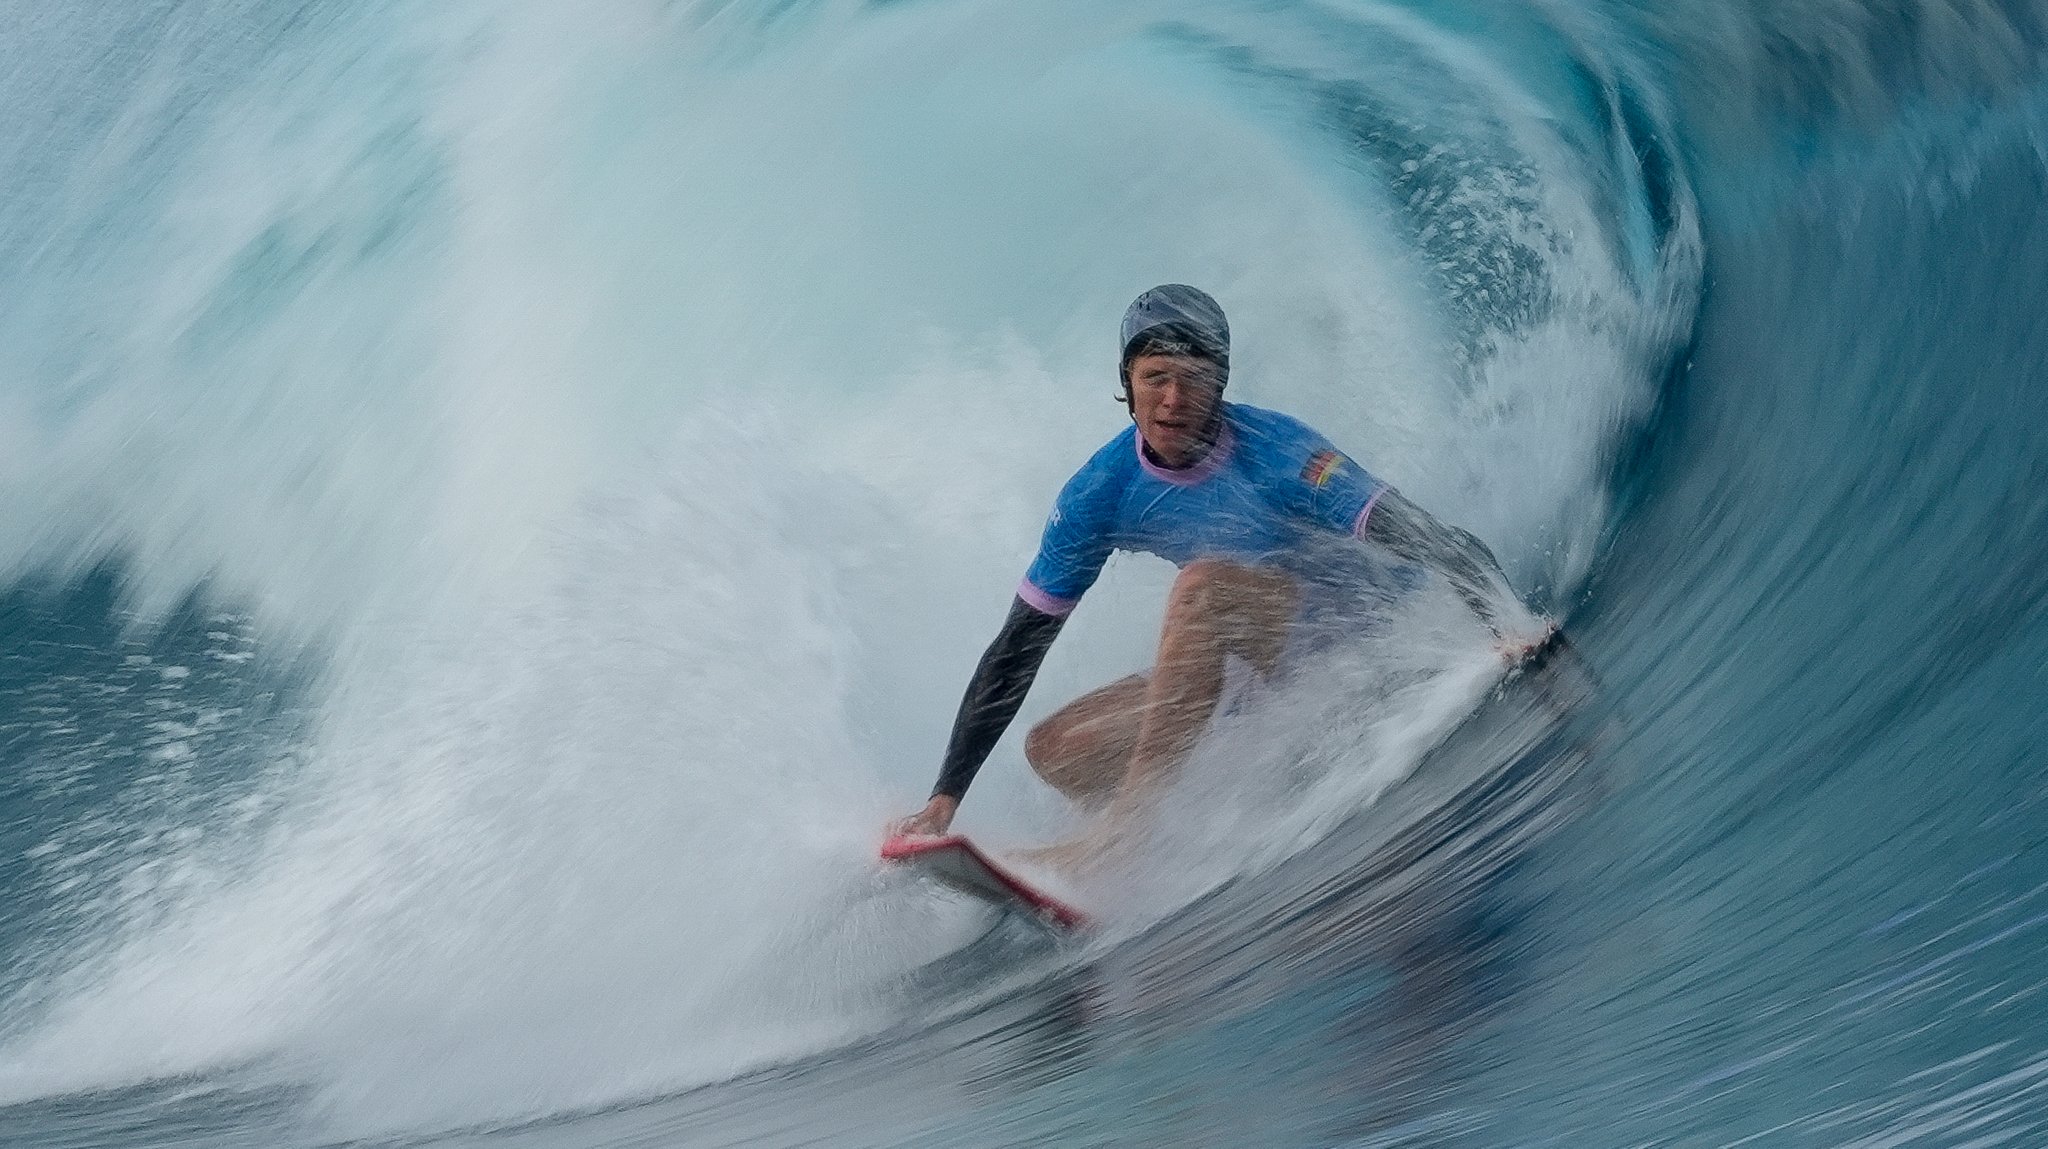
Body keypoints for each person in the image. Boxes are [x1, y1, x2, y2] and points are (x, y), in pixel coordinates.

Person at [892, 285, 1541, 845]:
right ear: (1127, 383)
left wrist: (1506, 624)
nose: (1173, 399)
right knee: (1056, 750)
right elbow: (1016, 648)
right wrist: (945, 797)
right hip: (1259, 674)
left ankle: (1126, 837)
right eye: (1155, 378)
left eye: (1194, 379)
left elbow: (1435, 537)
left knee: (1201, 589)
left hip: (1361, 639)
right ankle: (1139, 847)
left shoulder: (1282, 452)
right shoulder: (1100, 492)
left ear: (1221, 384)